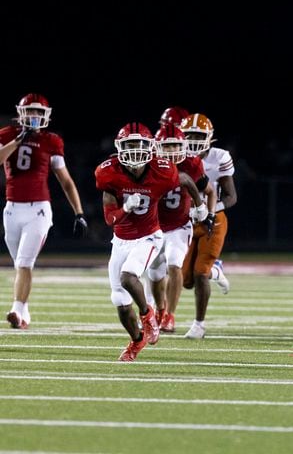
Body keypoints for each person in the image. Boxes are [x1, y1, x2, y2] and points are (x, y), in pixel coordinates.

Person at [0, 93, 87, 329]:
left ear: (45, 115)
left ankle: (16, 310)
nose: (34, 116)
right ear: (20, 113)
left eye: (39, 112)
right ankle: (24, 314)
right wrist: (18, 140)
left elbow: (65, 180)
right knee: (20, 266)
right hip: (11, 209)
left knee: (25, 263)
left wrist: (78, 212)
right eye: (30, 111)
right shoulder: (7, 134)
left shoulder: (51, 141)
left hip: (38, 210)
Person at [94, 122, 179, 361]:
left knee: (128, 276)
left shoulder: (163, 170)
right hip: (121, 240)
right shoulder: (108, 172)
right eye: (129, 145)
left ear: (150, 147)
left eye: (139, 145)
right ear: (119, 147)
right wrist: (125, 208)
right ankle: (137, 340)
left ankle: (148, 314)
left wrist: (195, 208)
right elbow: (110, 218)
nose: (134, 150)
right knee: (120, 303)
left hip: (149, 236)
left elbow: (184, 181)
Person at [146, 125, 216, 333]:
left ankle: (170, 316)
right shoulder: (148, 163)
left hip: (179, 225)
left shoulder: (192, 164)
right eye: (167, 147)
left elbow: (210, 191)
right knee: (155, 274)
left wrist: (208, 214)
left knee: (174, 265)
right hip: (154, 227)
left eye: (176, 145)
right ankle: (160, 310)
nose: (172, 151)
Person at [180, 113, 236, 339]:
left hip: (214, 220)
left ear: (209, 137)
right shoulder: (176, 155)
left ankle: (199, 325)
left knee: (200, 273)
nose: (193, 140)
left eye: (198, 135)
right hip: (186, 221)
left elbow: (231, 196)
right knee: (186, 280)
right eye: (189, 135)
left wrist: (208, 210)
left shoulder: (219, 157)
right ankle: (216, 269)